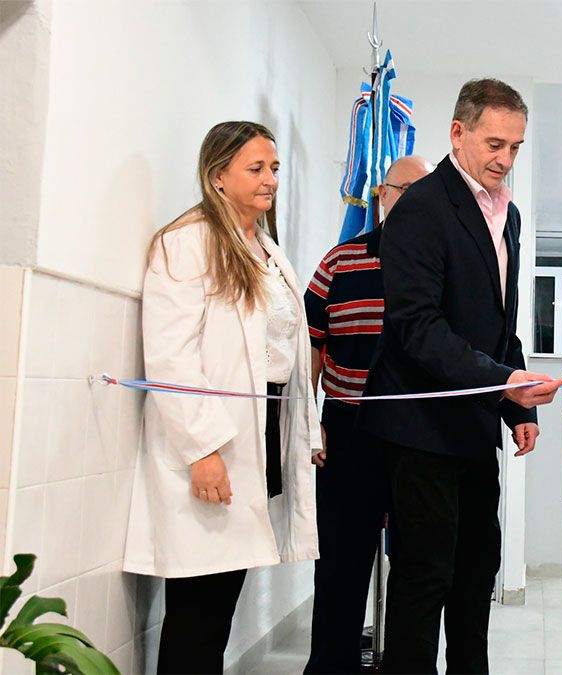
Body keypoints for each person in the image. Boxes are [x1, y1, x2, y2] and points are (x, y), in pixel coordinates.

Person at [357, 78, 562, 674]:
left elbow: (497, 323)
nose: (505, 159)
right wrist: (503, 382)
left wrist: (515, 407)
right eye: (495, 144)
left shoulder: (508, 215)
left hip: (472, 426)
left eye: (515, 148)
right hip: (419, 427)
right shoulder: (420, 208)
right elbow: (417, 327)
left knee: (477, 571)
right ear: (457, 132)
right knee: (425, 577)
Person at [123, 121, 321, 674]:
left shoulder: (264, 249)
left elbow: (283, 352)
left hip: (260, 428)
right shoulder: (187, 243)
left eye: (274, 168)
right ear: (217, 177)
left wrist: (305, 430)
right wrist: (203, 449)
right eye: (255, 169)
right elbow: (171, 357)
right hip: (214, 440)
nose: (270, 180)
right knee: (198, 610)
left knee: (219, 602)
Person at [303, 155, 430, 674]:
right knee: (340, 562)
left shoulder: (442, 267)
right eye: (405, 192)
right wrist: (307, 422)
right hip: (347, 429)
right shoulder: (341, 261)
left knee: (418, 567)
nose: (415, 203)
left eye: (426, 195)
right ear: (382, 196)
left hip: (420, 437)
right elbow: (309, 346)